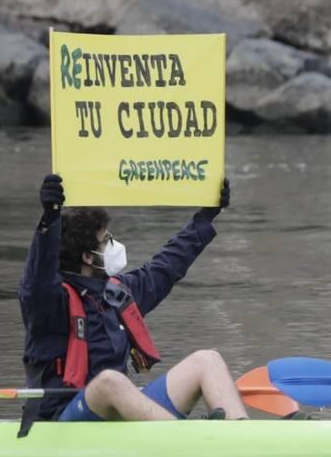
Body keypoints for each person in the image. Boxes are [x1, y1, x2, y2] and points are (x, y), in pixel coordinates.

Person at [19, 173, 247, 425]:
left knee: (208, 360)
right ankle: (188, 441)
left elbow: (167, 266)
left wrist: (207, 216)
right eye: (106, 239)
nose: (114, 244)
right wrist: (49, 219)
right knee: (109, 381)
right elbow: (36, 281)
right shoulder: (51, 303)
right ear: (88, 256)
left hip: (121, 411)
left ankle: (241, 435)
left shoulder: (119, 291)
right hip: (63, 418)